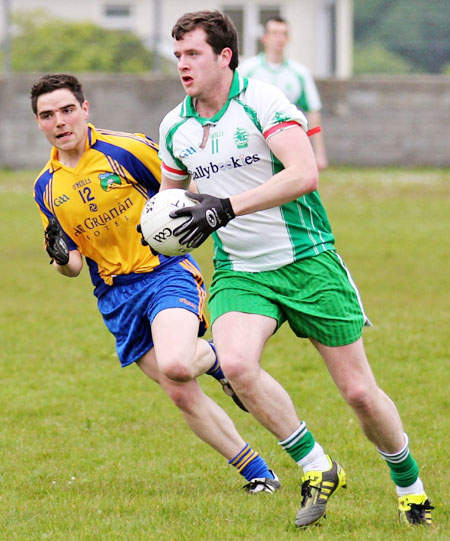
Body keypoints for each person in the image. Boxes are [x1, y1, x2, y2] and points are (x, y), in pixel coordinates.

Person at [157, 10, 433, 528]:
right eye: (177, 56)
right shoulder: (175, 126)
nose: (183, 66)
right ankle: (317, 465)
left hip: (308, 261)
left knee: (358, 392)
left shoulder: (265, 102)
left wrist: (226, 207)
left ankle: (410, 484)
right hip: (241, 271)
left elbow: (305, 174)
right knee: (236, 366)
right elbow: (171, 203)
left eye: (193, 54)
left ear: (224, 56)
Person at [30, 73, 282, 495]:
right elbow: (72, 265)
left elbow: (186, 187)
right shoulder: (46, 187)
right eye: (47, 115)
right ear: (38, 122)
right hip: (114, 295)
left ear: (85, 109)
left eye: (68, 110)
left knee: (178, 363)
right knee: (179, 391)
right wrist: (59, 258)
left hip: (165, 272)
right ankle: (258, 473)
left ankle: (219, 361)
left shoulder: (126, 149)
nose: (60, 121)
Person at [239, 16, 328, 171]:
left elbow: (313, 112)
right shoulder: (247, 70)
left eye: (283, 34)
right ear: (265, 38)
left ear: (288, 39)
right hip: (255, 142)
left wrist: (319, 153)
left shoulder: (299, 73)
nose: (279, 38)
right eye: (274, 33)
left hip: (288, 141)